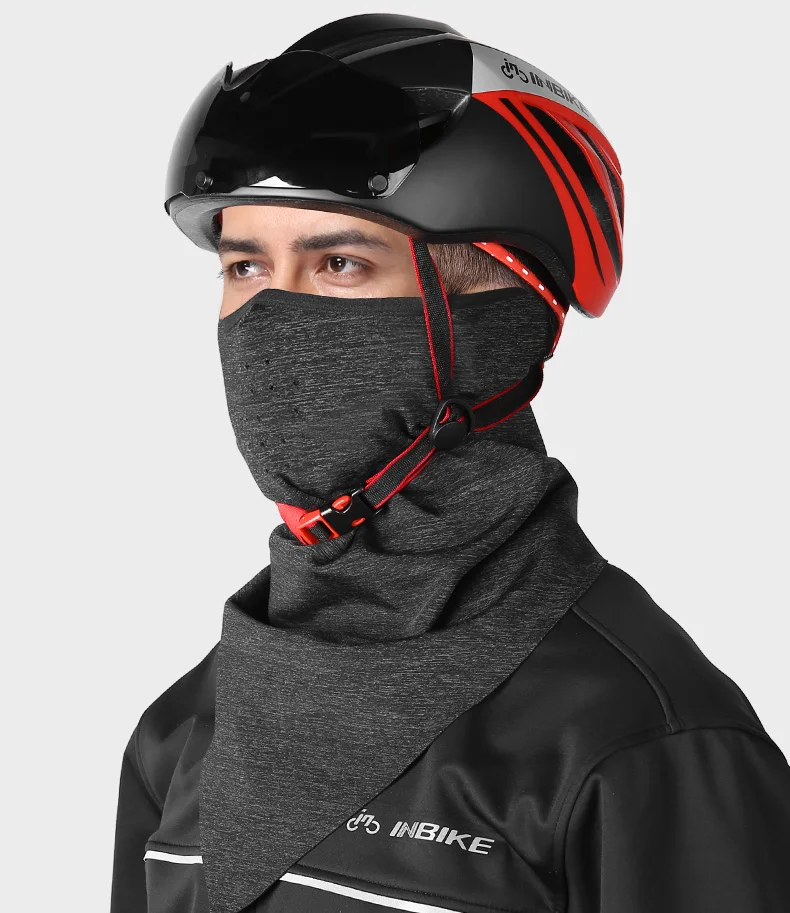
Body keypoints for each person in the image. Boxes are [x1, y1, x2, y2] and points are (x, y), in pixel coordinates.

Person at [110, 14, 790, 913]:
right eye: (245, 268)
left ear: (498, 318)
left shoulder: (637, 740)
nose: (270, 320)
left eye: (340, 262)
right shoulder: (183, 732)